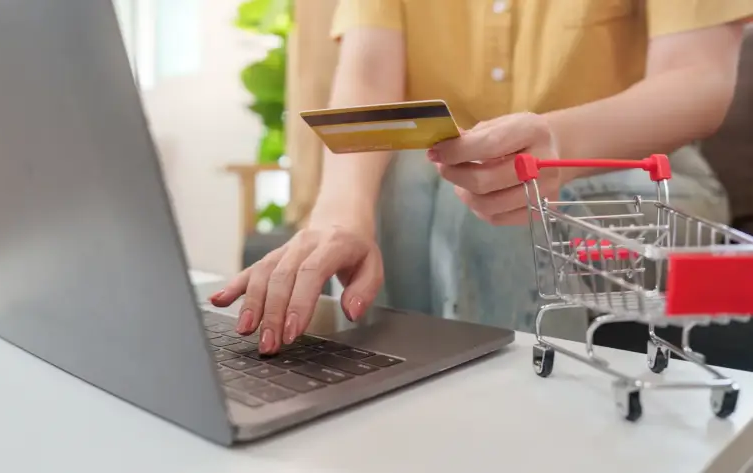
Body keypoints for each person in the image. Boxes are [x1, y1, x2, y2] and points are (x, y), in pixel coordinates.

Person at [211, 0, 753, 355]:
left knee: (499, 206)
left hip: (641, 175)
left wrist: (556, 144)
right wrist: (340, 216)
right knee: (412, 186)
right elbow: (370, 72)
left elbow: (697, 79)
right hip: (446, 179)